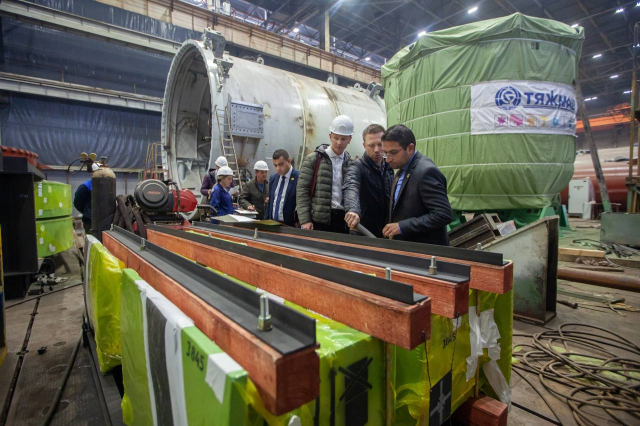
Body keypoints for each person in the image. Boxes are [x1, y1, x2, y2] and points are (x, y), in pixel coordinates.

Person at [381, 124, 452, 245]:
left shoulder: (426, 172)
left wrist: (402, 227)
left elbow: (443, 214)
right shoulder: (402, 168)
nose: (387, 159)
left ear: (410, 148)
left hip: (425, 250)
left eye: (393, 152)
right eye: (385, 153)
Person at [296, 115, 354, 233]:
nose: (339, 142)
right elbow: (302, 191)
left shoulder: (351, 164)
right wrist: (305, 220)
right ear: (330, 136)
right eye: (336, 138)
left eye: (343, 139)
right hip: (318, 222)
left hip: (343, 222)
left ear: (350, 139)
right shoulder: (313, 159)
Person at [343, 124, 394, 238]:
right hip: (364, 232)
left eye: (380, 144)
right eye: (371, 145)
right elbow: (351, 186)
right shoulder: (357, 167)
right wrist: (352, 210)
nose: (377, 150)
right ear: (364, 146)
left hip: (386, 231)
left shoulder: (389, 167)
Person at [265, 149, 299, 227]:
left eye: (281, 164)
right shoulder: (273, 178)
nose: (278, 168)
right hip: (272, 223)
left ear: (288, 161)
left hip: (290, 226)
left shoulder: (298, 177)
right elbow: (270, 202)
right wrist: (266, 221)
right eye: (275, 165)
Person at [73, 162, 100, 234]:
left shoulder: (105, 186)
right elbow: (77, 203)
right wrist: (87, 211)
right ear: (92, 173)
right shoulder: (85, 187)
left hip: (103, 219)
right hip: (90, 221)